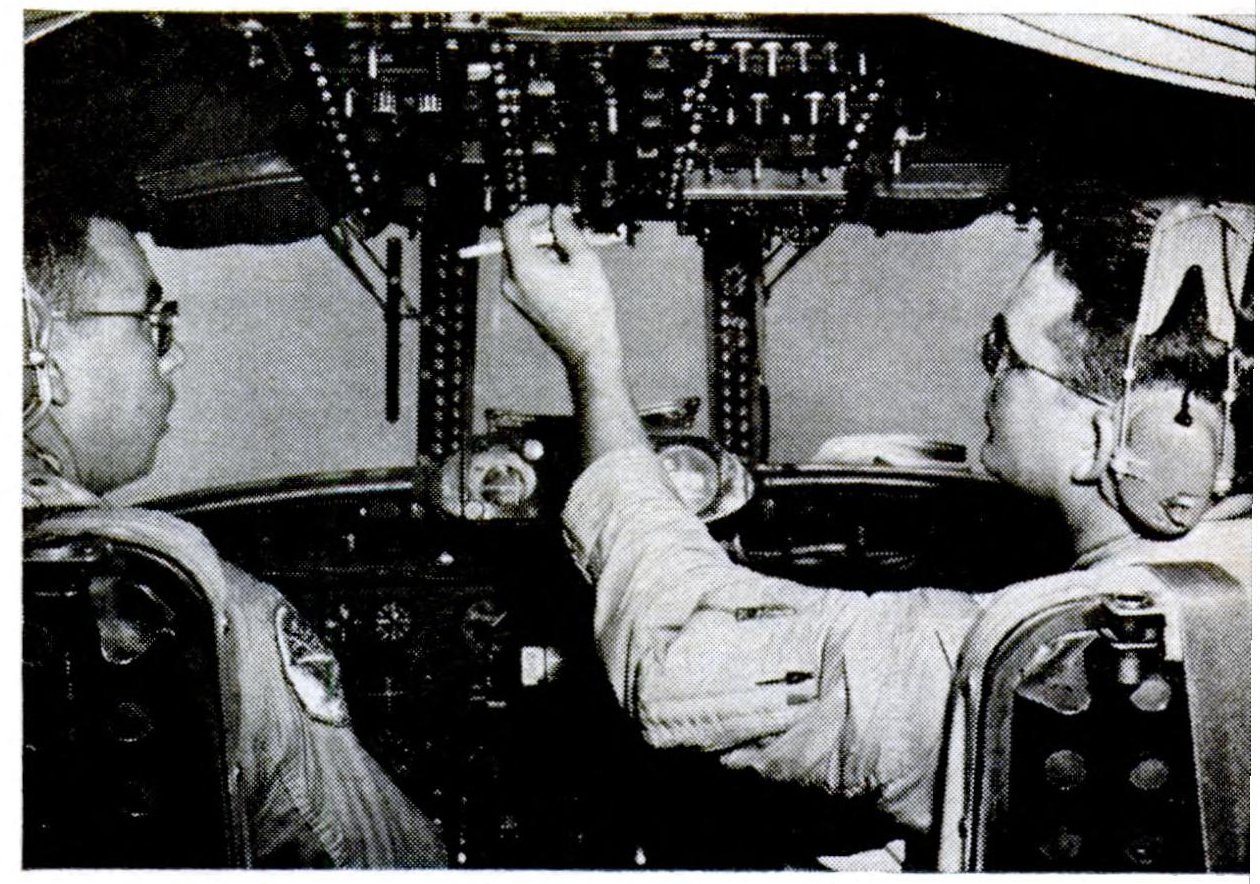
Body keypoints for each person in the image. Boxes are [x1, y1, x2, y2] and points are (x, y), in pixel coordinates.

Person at [498, 195, 1250, 861]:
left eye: (1008, 355)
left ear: (1099, 442)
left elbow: (673, 655)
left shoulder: (1027, 658)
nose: (988, 379)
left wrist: (592, 355)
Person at [23, 206, 447, 868]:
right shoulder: (176, 590)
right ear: (35, 345)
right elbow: (382, 860)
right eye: (153, 325)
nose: (176, 354)